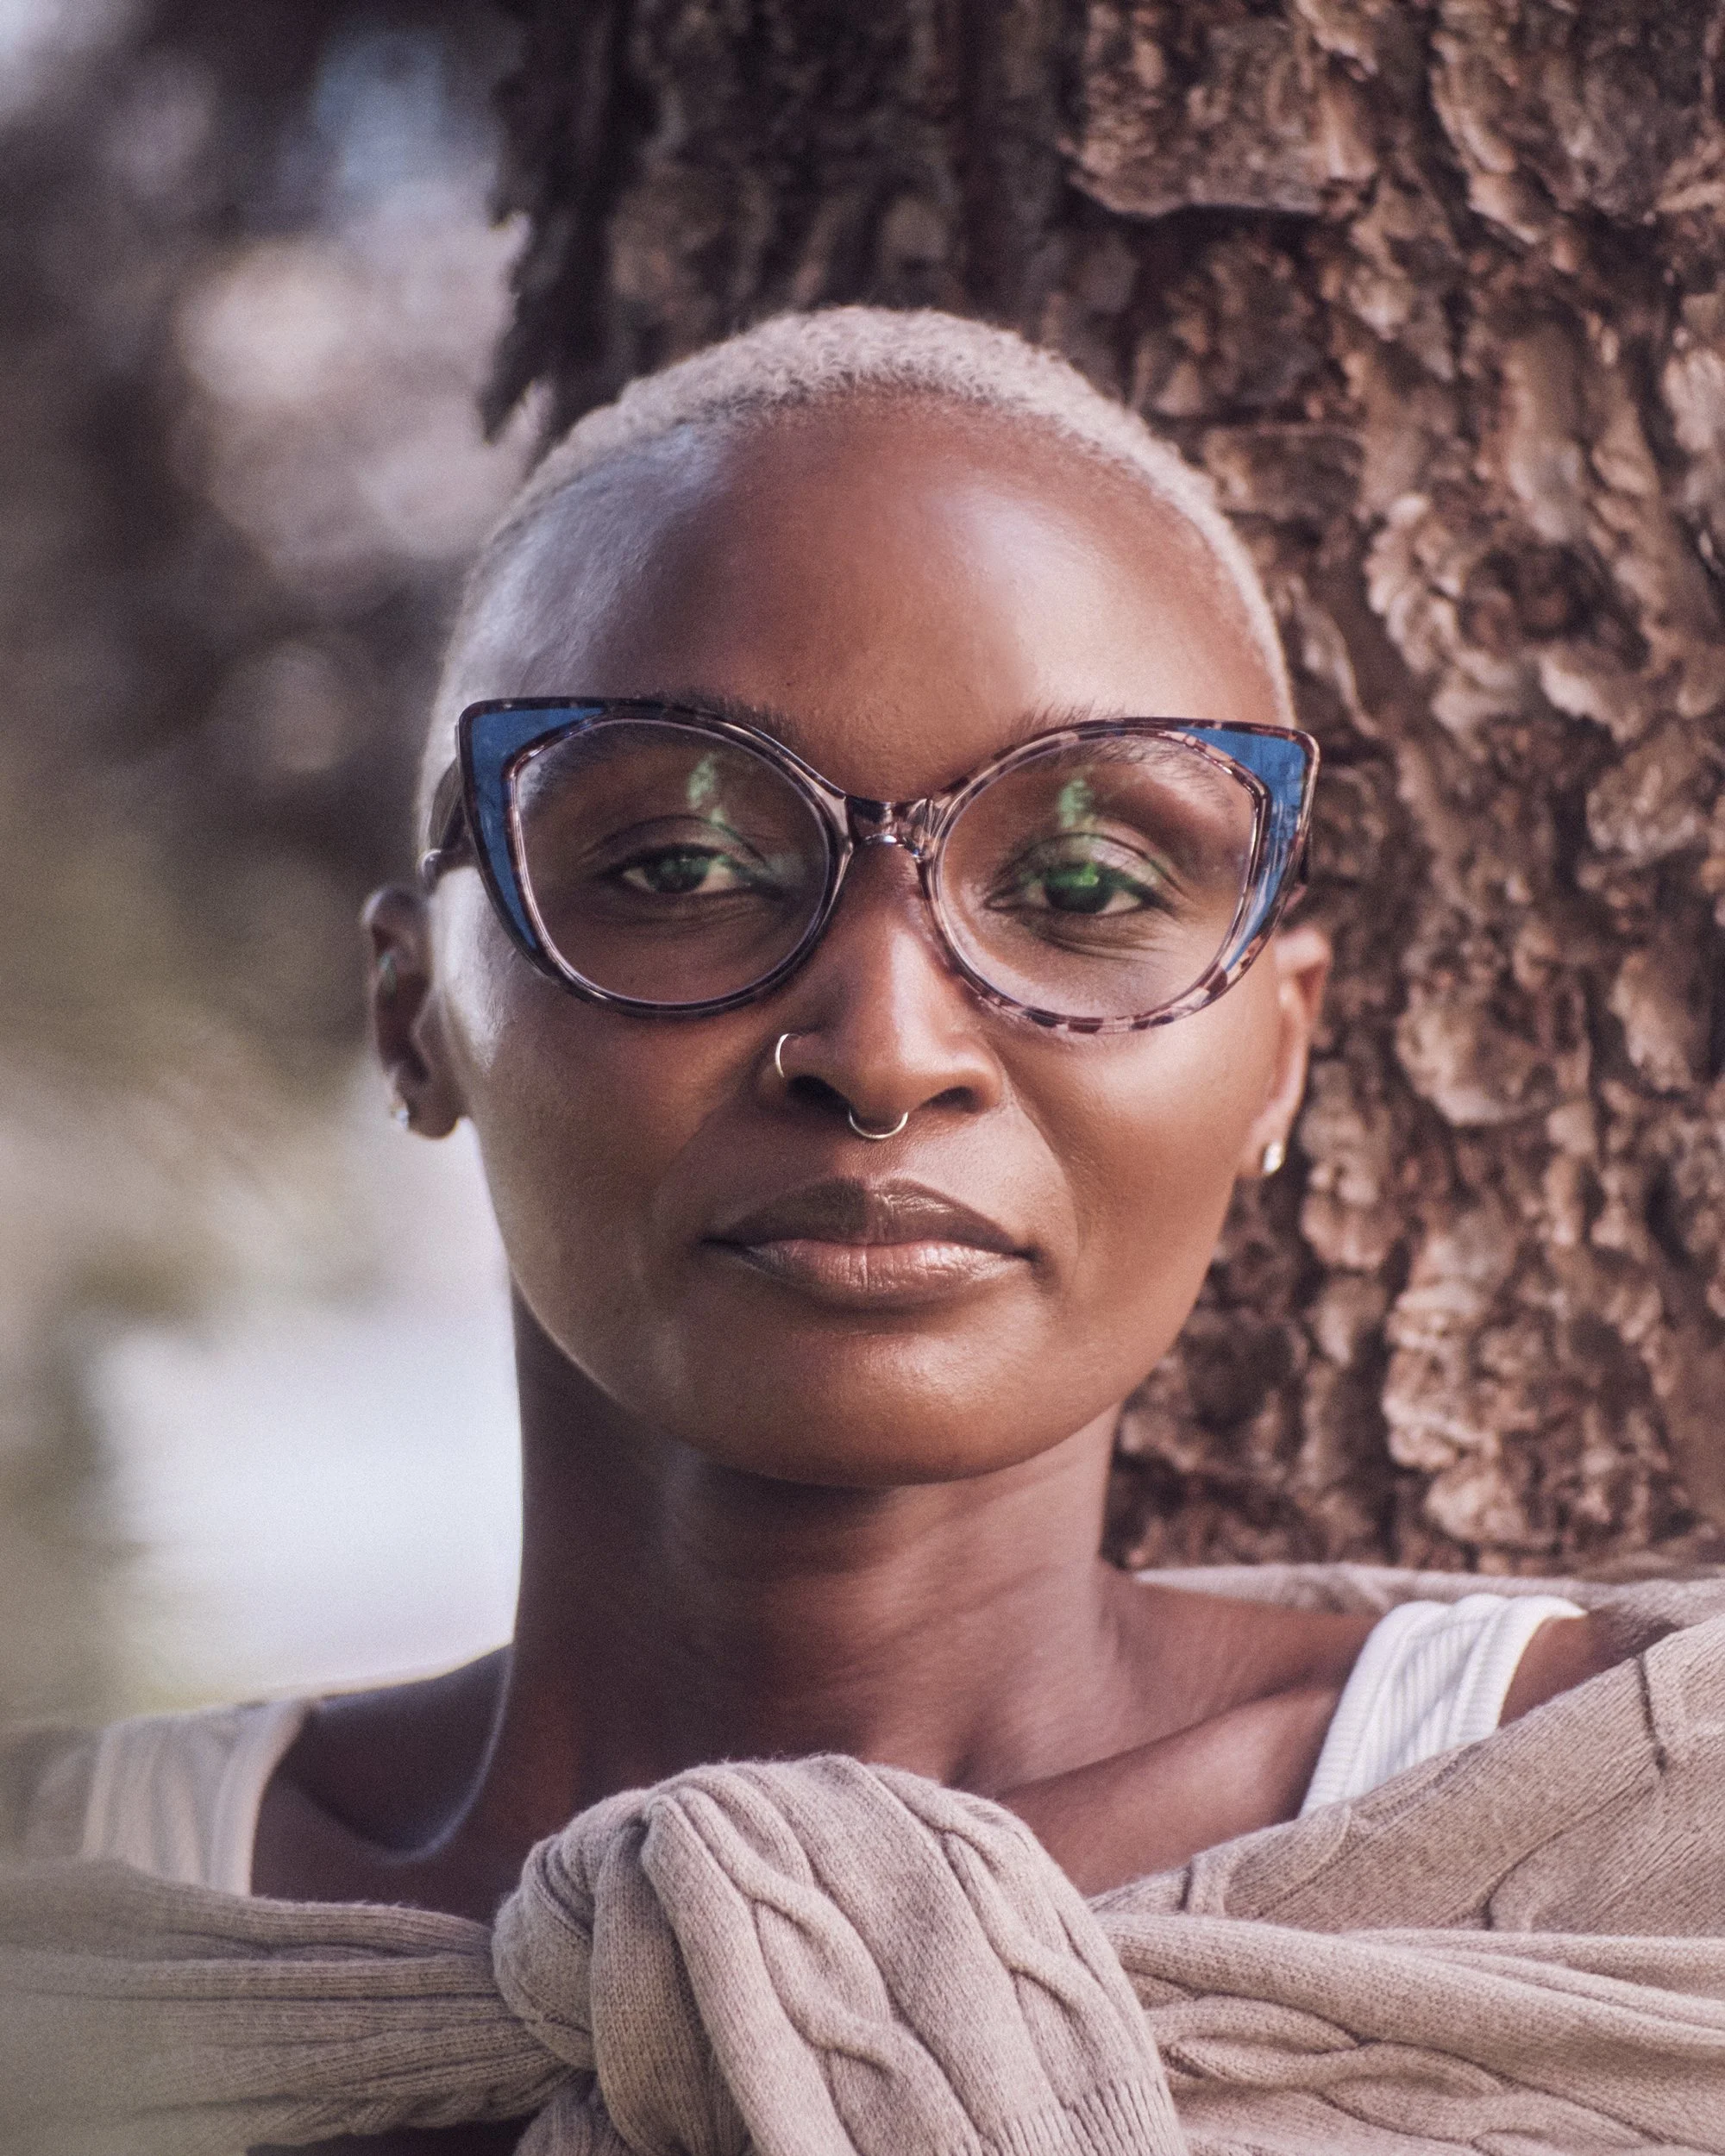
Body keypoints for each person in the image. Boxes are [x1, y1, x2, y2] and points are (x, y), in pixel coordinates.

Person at [5, 310, 1629, 2153]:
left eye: (1084, 882)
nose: (883, 1048)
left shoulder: (1628, 1862)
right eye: (681, 867)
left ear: (1279, 1055)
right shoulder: (66, 1928)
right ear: (414, 1016)